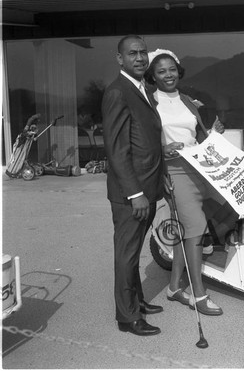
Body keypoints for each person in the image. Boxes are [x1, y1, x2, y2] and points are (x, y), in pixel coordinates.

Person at [144, 48, 225, 316]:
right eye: (161, 71)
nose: (168, 75)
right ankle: (199, 295)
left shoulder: (188, 100)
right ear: (152, 76)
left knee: (188, 227)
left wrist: (213, 134)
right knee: (195, 226)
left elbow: (196, 137)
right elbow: (143, 141)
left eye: (172, 69)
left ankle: (174, 287)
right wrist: (162, 151)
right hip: (174, 171)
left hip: (199, 168)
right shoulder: (149, 102)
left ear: (179, 71)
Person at [101, 35, 164, 336]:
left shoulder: (143, 88)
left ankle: (136, 301)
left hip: (148, 187)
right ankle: (127, 317)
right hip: (132, 194)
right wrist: (135, 193)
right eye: (132, 54)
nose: (139, 58)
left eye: (143, 53)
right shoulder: (117, 92)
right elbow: (117, 150)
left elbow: (148, 141)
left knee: (134, 250)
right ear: (120, 59)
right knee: (126, 254)